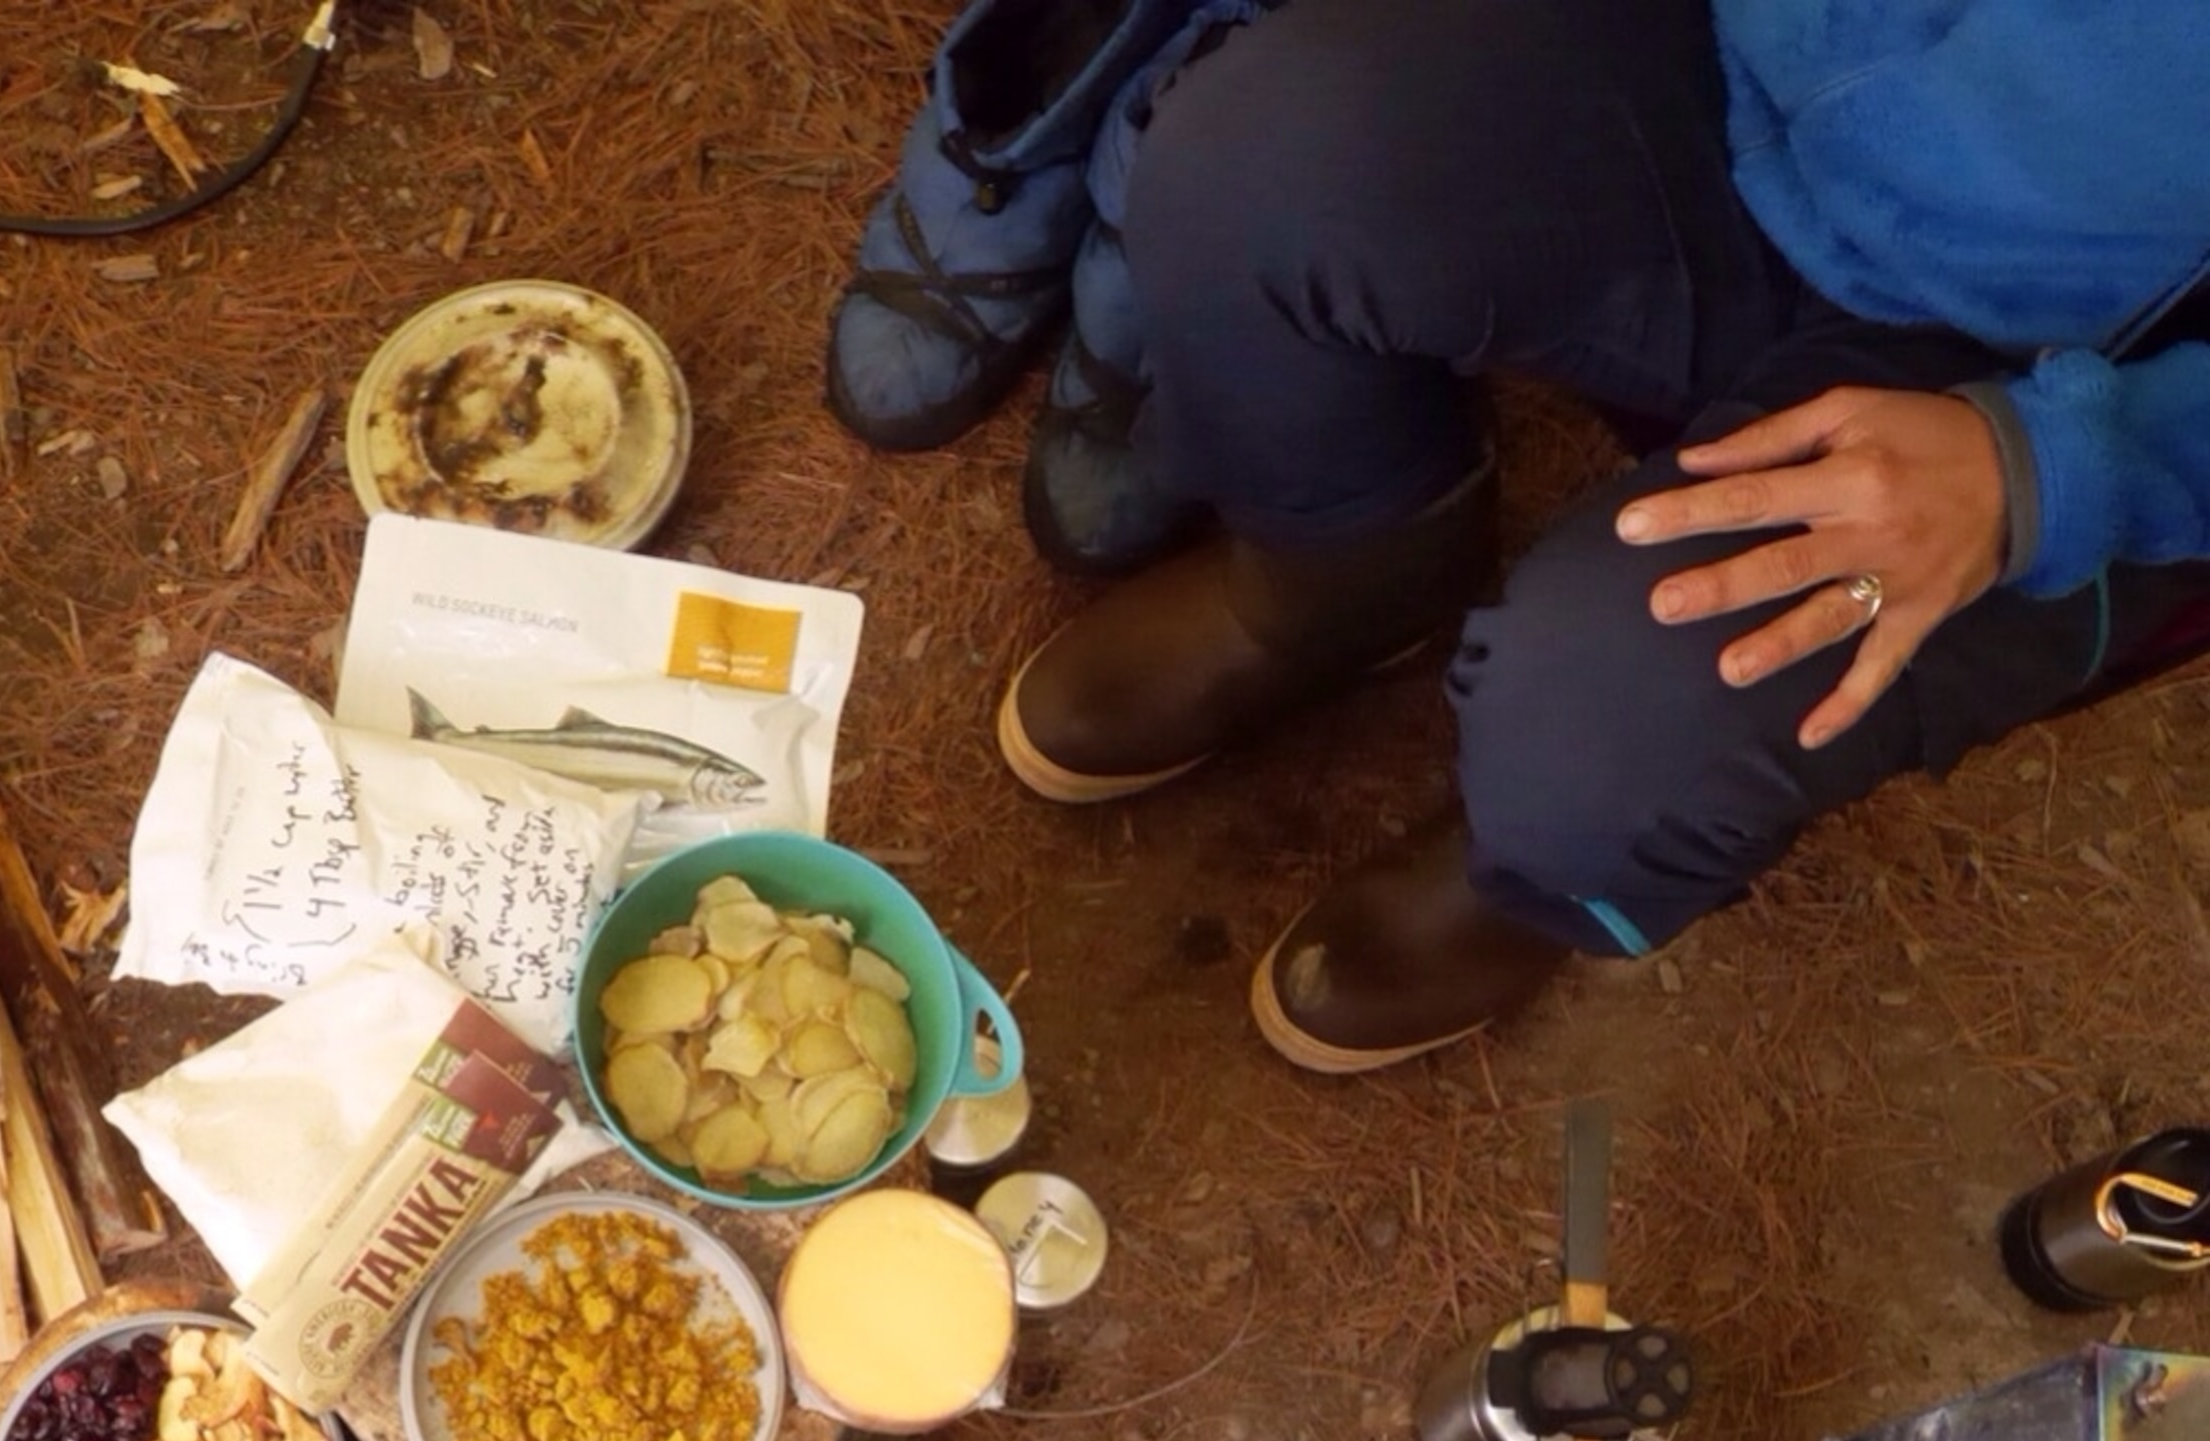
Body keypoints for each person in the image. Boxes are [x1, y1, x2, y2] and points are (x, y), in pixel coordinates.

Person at [828, 0, 2210, 1072]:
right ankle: (1335, 580)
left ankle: (1533, 870)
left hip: (2057, 380)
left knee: (1621, 724)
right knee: (1259, 162)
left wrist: (2045, 473)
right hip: (1741, 66)